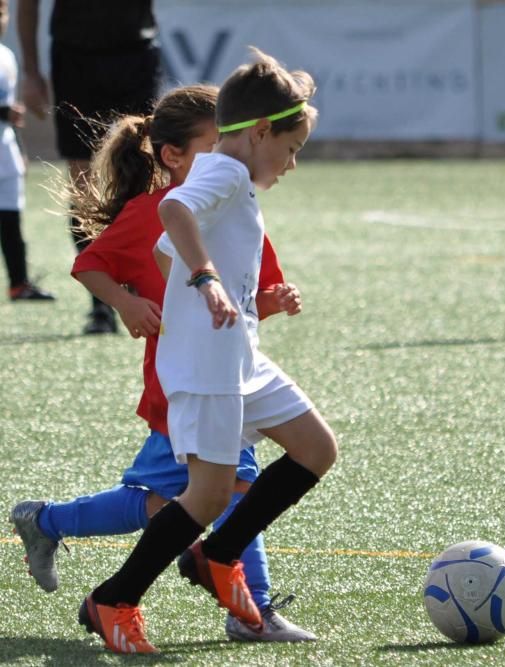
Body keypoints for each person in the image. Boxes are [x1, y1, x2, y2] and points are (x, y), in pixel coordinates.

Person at [8, 84, 315, 642]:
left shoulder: (234, 199)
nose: (229, 152)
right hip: (184, 382)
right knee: (189, 498)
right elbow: (95, 263)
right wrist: (129, 302)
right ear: (173, 155)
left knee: (182, 500)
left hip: (228, 368)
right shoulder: (175, 201)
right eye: (215, 143)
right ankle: (249, 609)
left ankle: (240, 601)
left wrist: (270, 300)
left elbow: (243, 301)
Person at [76, 49, 337, 655]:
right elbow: (172, 208)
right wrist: (206, 282)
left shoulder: (232, 175)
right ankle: (114, 599)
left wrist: (219, 294)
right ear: (262, 131)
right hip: (209, 368)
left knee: (316, 448)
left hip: (238, 357)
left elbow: (168, 244)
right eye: (292, 149)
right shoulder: (226, 171)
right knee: (209, 495)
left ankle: (217, 555)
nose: (292, 164)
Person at [17, 0, 161, 332]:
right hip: (75, 56)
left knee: (147, 173)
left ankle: (150, 286)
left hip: (136, 51)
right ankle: (102, 306)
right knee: (84, 183)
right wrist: (32, 72)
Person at [0, 0, 52, 301]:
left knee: (10, 220)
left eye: (2, 13)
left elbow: (11, 112)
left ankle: (19, 283)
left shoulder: (7, 56)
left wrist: (20, 148)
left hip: (5, 150)